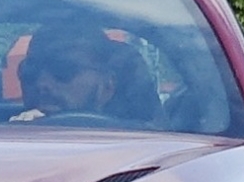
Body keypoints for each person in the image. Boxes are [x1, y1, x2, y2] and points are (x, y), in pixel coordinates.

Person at [11, 26, 155, 123]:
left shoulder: (151, 147)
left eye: (63, 69)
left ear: (107, 86)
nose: (42, 83)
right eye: (31, 70)